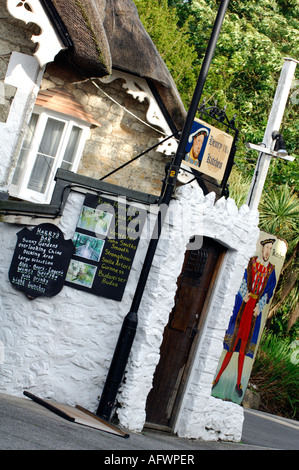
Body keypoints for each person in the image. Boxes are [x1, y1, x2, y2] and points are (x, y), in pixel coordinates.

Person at [213, 238, 277, 397]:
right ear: (261, 248)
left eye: (270, 248)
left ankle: (239, 383)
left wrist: (259, 306)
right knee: (232, 344)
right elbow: (242, 279)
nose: (268, 251)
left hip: (254, 310)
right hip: (243, 306)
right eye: (266, 247)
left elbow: (269, 291)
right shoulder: (251, 263)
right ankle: (217, 378)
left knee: (243, 348)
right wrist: (244, 294)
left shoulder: (271, 270)